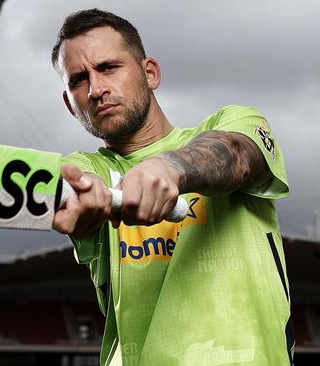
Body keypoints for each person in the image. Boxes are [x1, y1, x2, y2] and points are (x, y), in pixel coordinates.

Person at [51, 9, 292, 366]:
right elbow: (68, 184)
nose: (97, 89)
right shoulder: (86, 167)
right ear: (71, 105)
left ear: (150, 73)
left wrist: (172, 167)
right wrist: (77, 200)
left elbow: (238, 155)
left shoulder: (237, 123)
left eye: (108, 67)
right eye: (78, 80)